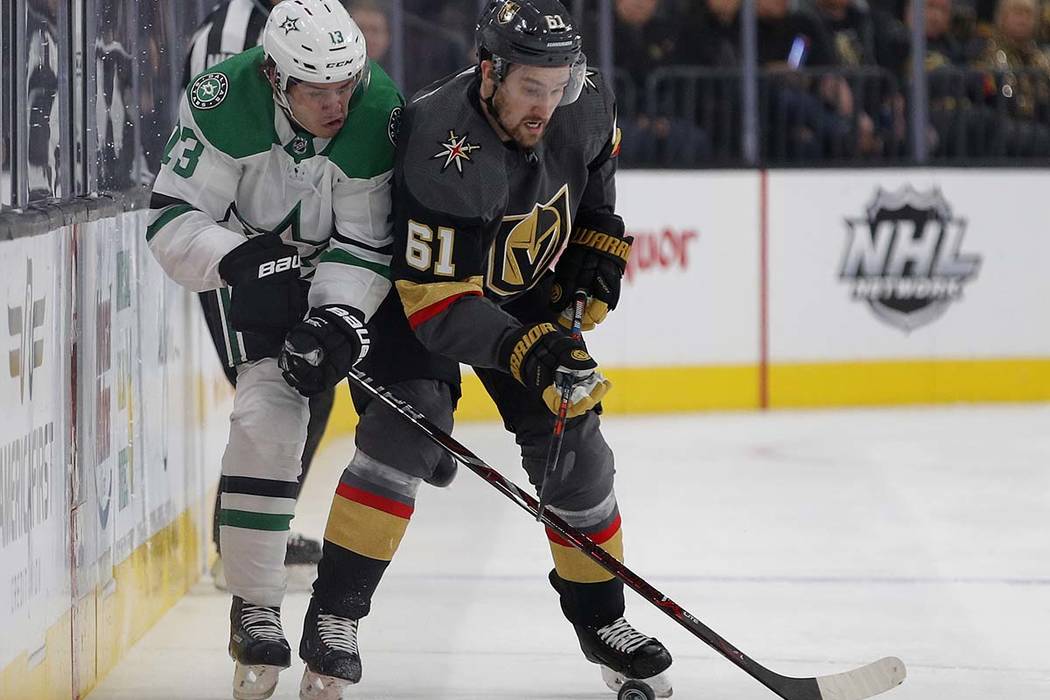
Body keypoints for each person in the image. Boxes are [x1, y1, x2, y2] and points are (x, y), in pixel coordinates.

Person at [298, 2, 674, 698]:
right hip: (415, 298)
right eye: (531, 87)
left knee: (576, 448)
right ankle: (335, 615)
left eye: (558, 86)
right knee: (404, 433)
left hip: (519, 287)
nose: (547, 104)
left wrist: (597, 242)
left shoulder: (584, 102)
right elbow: (437, 306)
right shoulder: (439, 137)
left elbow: (595, 182)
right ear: (489, 71)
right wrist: (527, 347)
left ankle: (601, 620)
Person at [145, 1, 404, 697]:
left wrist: (338, 317)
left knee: (387, 434)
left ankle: (336, 615)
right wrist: (238, 263)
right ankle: (255, 602)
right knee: (265, 417)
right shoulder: (223, 98)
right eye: (316, 91)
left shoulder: (375, 105)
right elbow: (171, 218)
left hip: (337, 279)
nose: (336, 104)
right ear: (274, 77)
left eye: (343, 85)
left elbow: (368, 238)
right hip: (246, 264)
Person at [182, 0, 329, 590]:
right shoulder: (235, 30)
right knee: (274, 382)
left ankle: (256, 528)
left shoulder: (269, 24)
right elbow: (227, 144)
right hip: (235, 242)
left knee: (302, 384)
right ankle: (237, 543)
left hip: (269, 238)